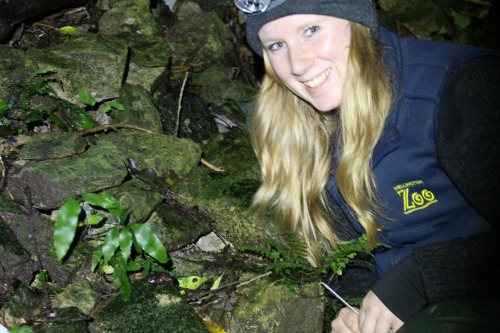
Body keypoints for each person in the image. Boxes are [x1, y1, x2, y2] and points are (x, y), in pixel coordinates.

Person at [233, 0, 500, 332]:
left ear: (356, 20)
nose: (298, 64)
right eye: (276, 45)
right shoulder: (294, 130)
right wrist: (354, 311)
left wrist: (419, 279)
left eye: (311, 30)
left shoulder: (463, 86)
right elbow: (344, 261)